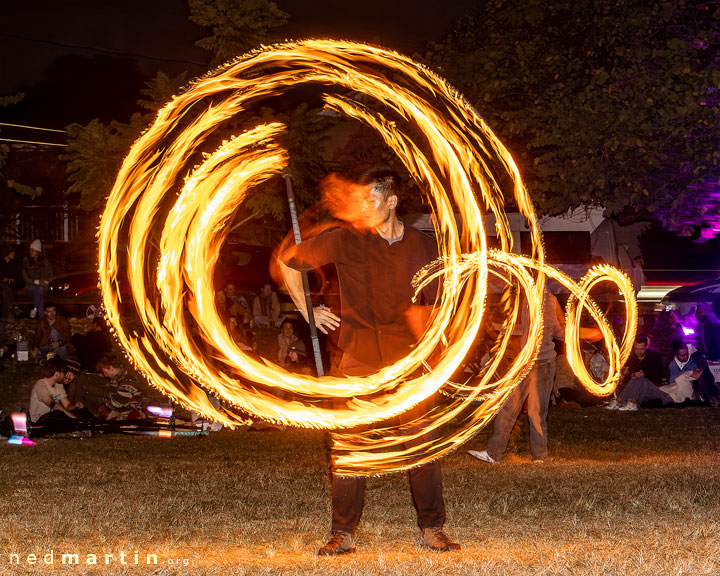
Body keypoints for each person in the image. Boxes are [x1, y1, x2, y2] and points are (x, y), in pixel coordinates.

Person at [280, 167, 459, 554]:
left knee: (420, 445)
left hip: (407, 359)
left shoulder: (423, 246)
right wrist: (306, 310)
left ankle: (432, 527)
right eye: (359, 200)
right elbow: (289, 262)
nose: (362, 207)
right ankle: (342, 533)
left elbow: (434, 301)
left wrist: (436, 347)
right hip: (359, 355)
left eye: (371, 199)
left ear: (391, 201)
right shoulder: (346, 239)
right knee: (350, 447)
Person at [468, 290, 566, 464]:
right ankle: (494, 453)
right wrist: (500, 328)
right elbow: (525, 328)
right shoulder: (525, 296)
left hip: (541, 363)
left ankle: (540, 456)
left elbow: (553, 330)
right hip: (523, 362)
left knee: (536, 412)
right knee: (508, 407)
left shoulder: (546, 298)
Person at [28, 358, 85, 425]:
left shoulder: (58, 385)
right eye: (64, 373)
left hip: (49, 419)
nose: (65, 375)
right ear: (57, 374)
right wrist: (73, 418)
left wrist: (76, 406)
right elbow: (54, 405)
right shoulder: (41, 385)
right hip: (36, 422)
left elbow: (67, 405)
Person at [97, 354, 146, 420]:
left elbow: (116, 403)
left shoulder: (127, 380)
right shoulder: (116, 380)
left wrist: (102, 403)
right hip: (124, 415)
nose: (105, 375)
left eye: (105, 372)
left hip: (131, 418)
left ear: (111, 368)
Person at [22, 239, 52, 319]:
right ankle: (41, 317)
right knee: (39, 294)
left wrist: (45, 282)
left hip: (42, 287)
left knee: (40, 290)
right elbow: (25, 276)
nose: (30, 251)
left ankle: (34, 309)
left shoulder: (45, 262)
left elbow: (50, 276)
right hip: (30, 288)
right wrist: (36, 282)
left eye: (33, 250)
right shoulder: (26, 261)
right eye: (30, 249)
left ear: (38, 251)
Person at [0, 247, 19, 320]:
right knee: (4, 288)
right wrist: (3, 279)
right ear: (6, 253)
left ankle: (5, 317)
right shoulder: (1, 263)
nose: (14, 253)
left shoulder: (14, 264)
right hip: (1, 286)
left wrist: (8, 279)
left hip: (10, 286)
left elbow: (17, 278)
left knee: (5, 293)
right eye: (12, 252)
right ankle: (15, 306)